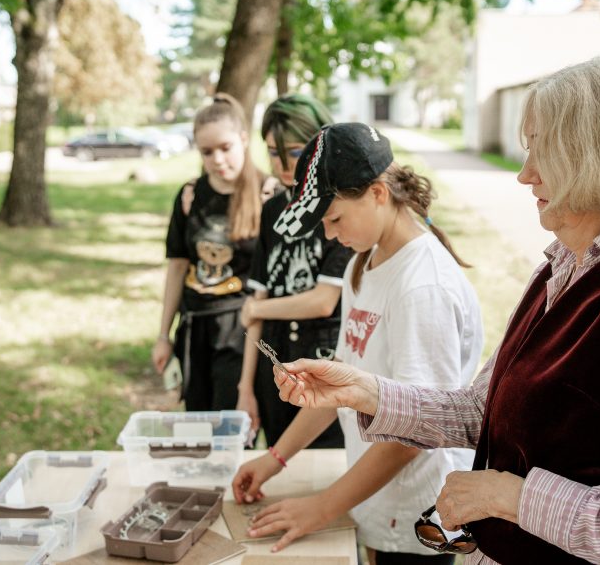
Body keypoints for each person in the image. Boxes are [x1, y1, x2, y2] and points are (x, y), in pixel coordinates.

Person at [272, 57, 600, 564]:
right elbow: (484, 410)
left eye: (542, 152)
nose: (523, 174)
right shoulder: (564, 267)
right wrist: (365, 392)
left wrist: (509, 497)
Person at [231, 122, 484, 565]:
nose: (329, 236)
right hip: (373, 499)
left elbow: (414, 434)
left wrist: (323, 507)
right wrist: (275, 458)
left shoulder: (423, 286)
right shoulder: (362, 265)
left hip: (416, 515)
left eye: (334, 219)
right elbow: (342, 389)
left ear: (377, 193)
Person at [237, 94, 350, 449]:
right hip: (273, 369)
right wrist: (245, 389)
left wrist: (257, 309)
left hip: (324, 368)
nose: (284, 164)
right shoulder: (272, 210)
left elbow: (323, 301)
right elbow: (259, 293)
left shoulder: (338, 206)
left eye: (297, 151)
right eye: (273, 151)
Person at [152, 93, 268, 412]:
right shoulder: (191, 196)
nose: (217, 159)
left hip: (240, 330)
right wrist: (164, 335)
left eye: (225, 148)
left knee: (230, 428)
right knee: (198, 426)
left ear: (243, 140)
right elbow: (177, 267)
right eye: (207, 152)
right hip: (194, 328)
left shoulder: (267, 194)